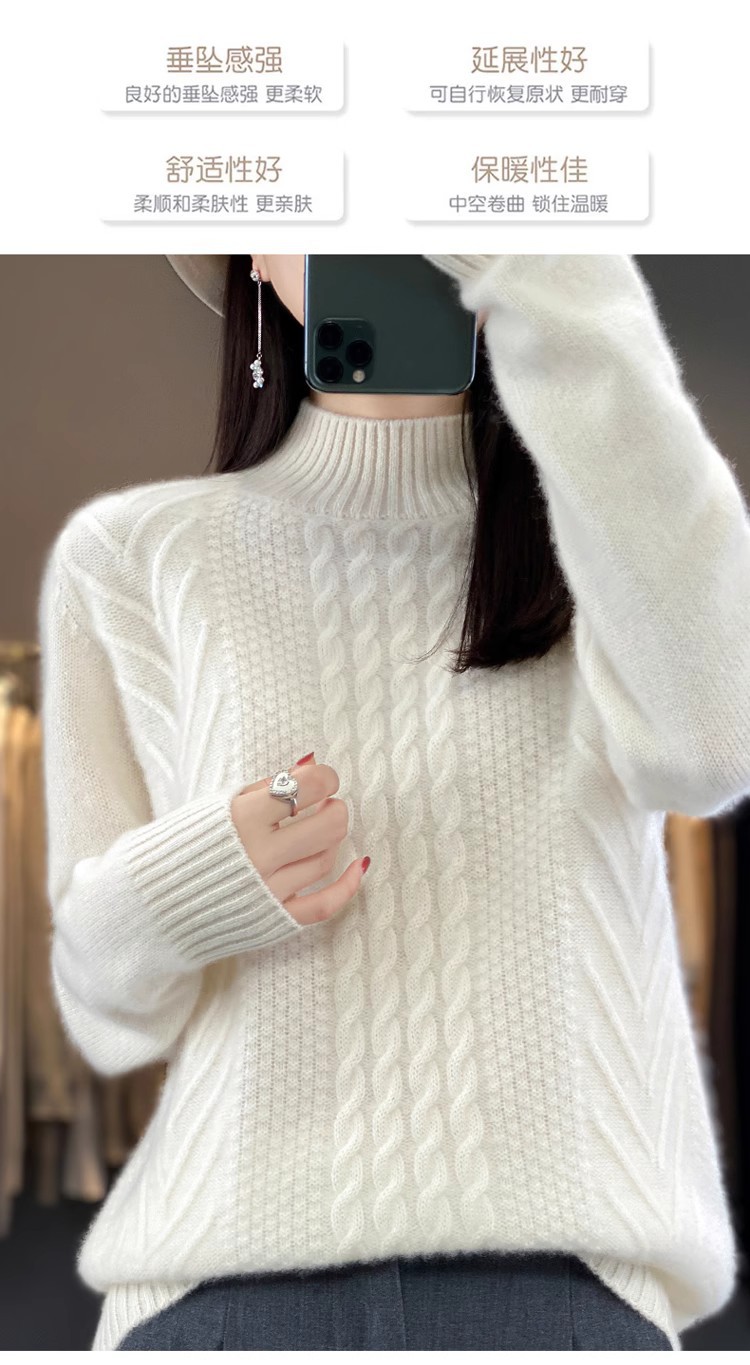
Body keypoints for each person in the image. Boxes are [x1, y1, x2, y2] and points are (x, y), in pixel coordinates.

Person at [37, 253, 750, 1351]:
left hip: (565, 1290)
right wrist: (186, 884)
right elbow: (105, 1013)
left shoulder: (613, 532)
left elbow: (713, 750)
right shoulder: (133, 556)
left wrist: (552, 275)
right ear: (254, 259)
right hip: (218, 1291)